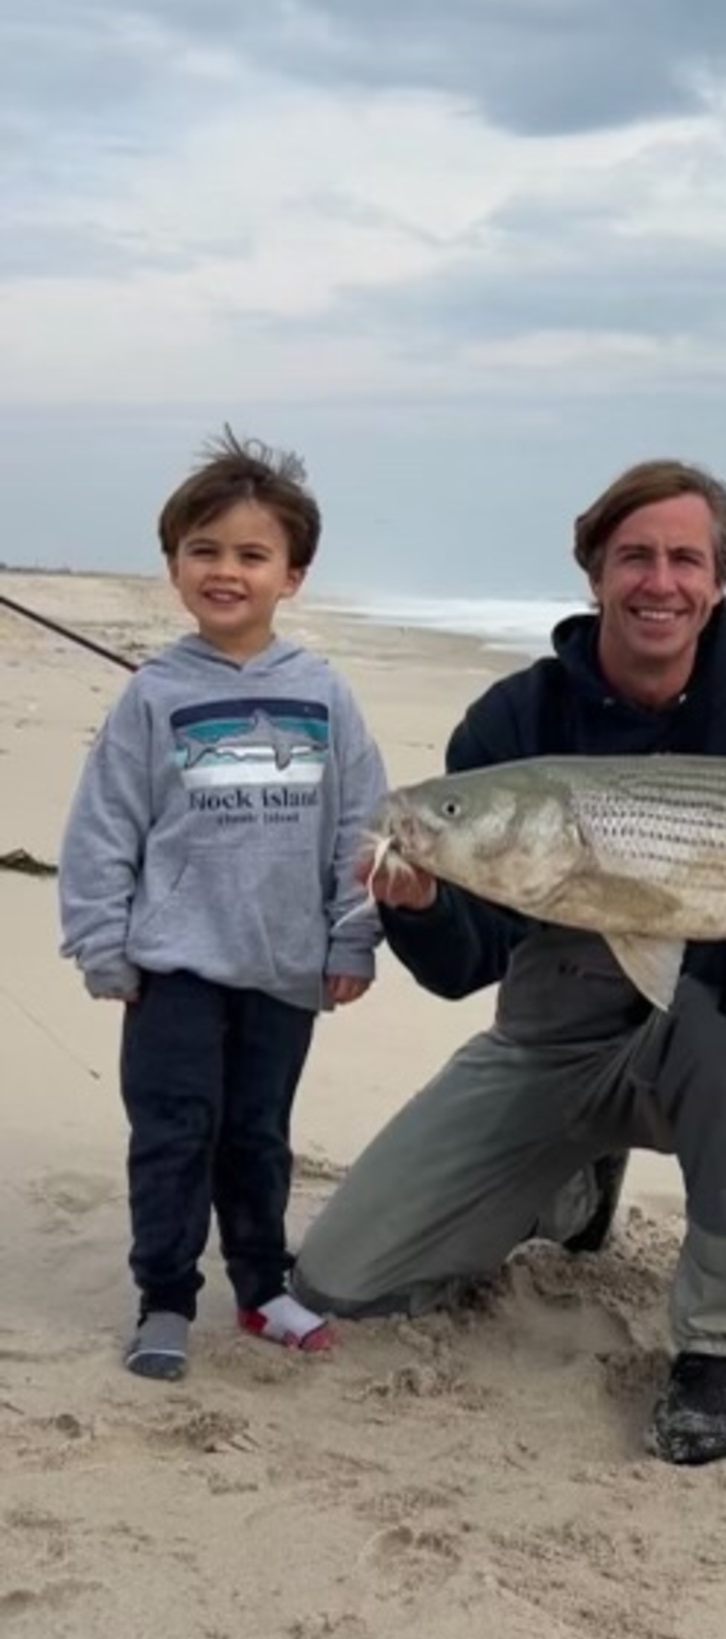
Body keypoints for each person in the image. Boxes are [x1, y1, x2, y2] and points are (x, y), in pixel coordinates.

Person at [291, 459, 726, 1466]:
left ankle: (717, 1347)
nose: (660, 581)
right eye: (634, 557)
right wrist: (424, 902)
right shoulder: (512, 723)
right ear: (595, 573)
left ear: (720, 578)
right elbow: (463, 966)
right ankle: (572, 1188)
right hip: (546, 1040)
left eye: (685, 559)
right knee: (339, 1281)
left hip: (699, 1032)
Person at [58, 430, 388, 1381]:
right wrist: (102, 944)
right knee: (171, 1135)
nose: (226, 570)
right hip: (173, 969)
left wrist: (353, 937)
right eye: (205, 551)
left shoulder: (325, 696)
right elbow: (104, 829)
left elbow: (361, 828)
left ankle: (259, 1286)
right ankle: (164, 1295)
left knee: (257, 1136)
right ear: (173, 567)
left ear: (294, 575)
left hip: (285, 968)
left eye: (252, 554)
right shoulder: (153, 696)